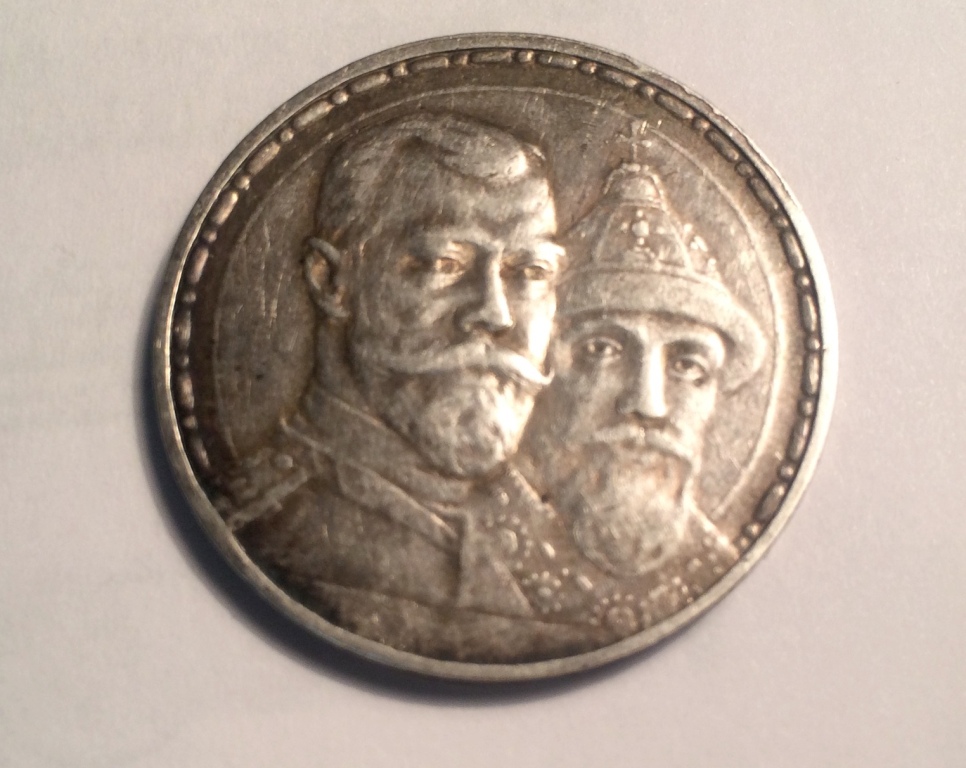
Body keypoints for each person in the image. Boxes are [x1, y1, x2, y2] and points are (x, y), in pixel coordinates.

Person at [216, 112, 575, 659]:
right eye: (444, 264)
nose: (496, 314)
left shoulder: (553, 536)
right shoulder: (270, 527)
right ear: (331, 281)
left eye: (530, 272)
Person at [504, 161, 767, 639]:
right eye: (601, 350)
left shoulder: (715, 567)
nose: (648, 405)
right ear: (536, 366)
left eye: (688, 365)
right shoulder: (450, 544)